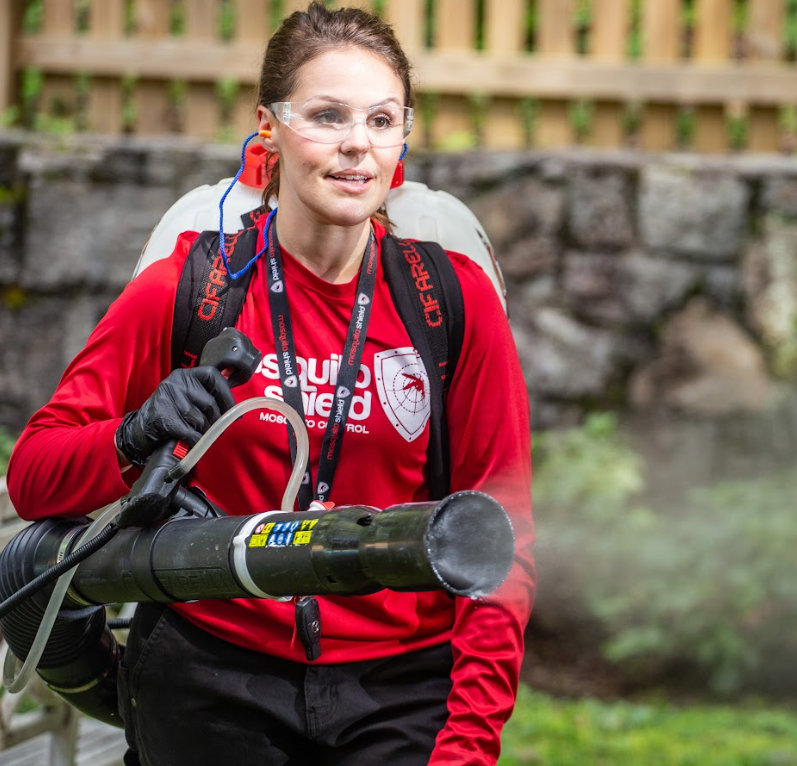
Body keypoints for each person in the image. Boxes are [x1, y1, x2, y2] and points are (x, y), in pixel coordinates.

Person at [6, 4, 534, 765]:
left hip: (399, 690)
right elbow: (33, 477)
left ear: (403, 141)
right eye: (326, 115)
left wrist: (468, 744)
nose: (358, 143)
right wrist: (136, 434)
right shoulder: (188, 285)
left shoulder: (448, 301)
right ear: (268, 128)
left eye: (383, 120)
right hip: (210, 674)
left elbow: (504, 538)